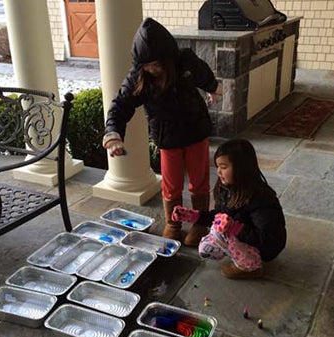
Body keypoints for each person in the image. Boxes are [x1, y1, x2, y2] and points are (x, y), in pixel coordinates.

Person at [102, 17, 222, 246]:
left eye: (156, 64)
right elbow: (120, 106)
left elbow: (203, 74)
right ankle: (173, 223)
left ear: (169, 58)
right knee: (171, 184)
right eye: (146, 64)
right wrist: (113, 133)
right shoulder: (140, 77)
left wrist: (213, 88)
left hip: (196, 131)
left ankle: (199, 223)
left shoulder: (185, 61)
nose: (151, 69)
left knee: (199, 182)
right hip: (167, 138)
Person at [171, 139, 287, 279]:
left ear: (241, 168)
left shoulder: (261, 197)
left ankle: (250, 267)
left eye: (224, 167)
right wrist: (192, 216)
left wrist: (234, 229)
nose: (219, 172)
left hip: (265, 247)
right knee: (207, 246)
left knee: (223, 233)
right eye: (217, 166)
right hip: (242, 235)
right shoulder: (226, 189)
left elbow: (269, 238)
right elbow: (218, 216)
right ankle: (237, 251)